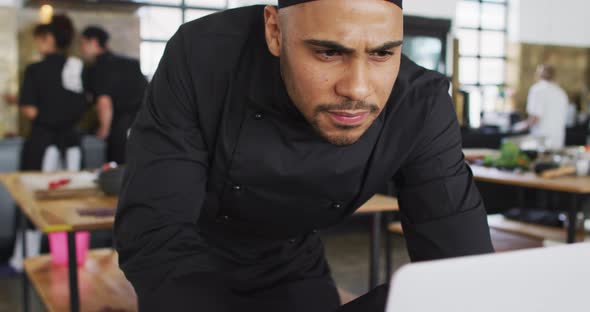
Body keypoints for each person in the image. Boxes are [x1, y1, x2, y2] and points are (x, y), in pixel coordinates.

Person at [115, 1, 494, 311]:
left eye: (382, 53)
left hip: (291, 259)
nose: (357, 89)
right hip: (187, 260)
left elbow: (463, 275)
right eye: (329, 52)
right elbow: (156, 228)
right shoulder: (204, 55)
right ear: (275, 31)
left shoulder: (419, 104)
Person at [10, 14, 88, 271]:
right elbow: (81, 104)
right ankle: (71, 258)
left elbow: (29, 109)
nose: (37, 45)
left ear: (48, 38)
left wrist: (48, 118)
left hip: (43, 141)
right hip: (72, 143)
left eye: (38, 40)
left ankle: (25, 260)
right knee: (74, 200)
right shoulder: (76, 67)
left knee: (32, 200)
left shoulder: (35, 69)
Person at [80, 26, 147, 164]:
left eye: (82, 43)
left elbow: (104, 101)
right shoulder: (131, 62)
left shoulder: (98, 67)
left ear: (93, 42)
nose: (81, 48)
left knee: (117, 171)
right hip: (143, 125)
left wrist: (104, 129)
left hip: (119, 129)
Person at [525, 64, 569, 150]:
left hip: (541, 140)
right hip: (558, 139)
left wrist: (522, 125)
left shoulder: (537, 89)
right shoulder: (561, 92)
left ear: (538, 74)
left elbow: (535, 118)